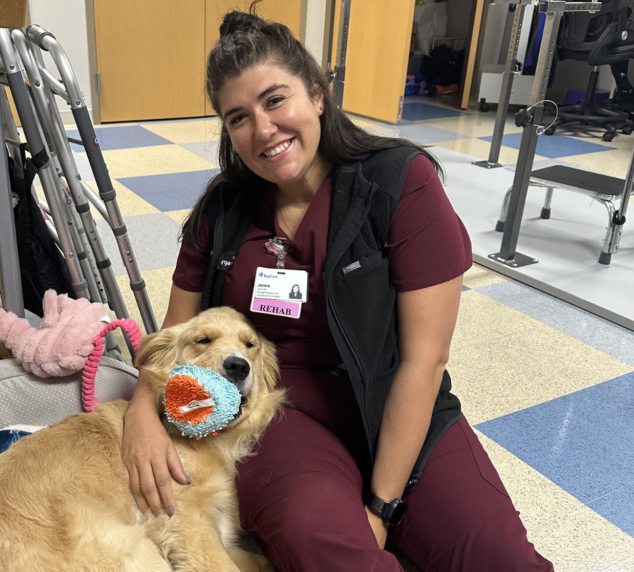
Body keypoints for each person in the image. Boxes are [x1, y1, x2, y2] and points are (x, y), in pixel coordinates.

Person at [120, 5, 554, 571]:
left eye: (276, 100)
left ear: (318, 94)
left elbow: (426, 359)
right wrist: (140, 416)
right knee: (331, 551)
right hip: (277, 412)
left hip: (398, 400)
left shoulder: (400, 184)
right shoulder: (222, 213)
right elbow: (173, 341)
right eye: (238, 117)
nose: (263, 129)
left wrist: (381, 504)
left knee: (501, 560)